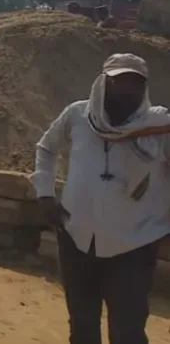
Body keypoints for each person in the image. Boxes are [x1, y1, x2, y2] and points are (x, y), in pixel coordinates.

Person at [31, 53, 170, 344]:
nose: (127, 91)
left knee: (127, 331)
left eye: (135, 84)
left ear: (144, 88)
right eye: (120, 82)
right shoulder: (77, 115)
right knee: (82, 326)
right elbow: (46, 148)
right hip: (76, 239)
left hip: (133, 246)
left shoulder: (159, 127)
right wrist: (45, 195)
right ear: (103, 83)